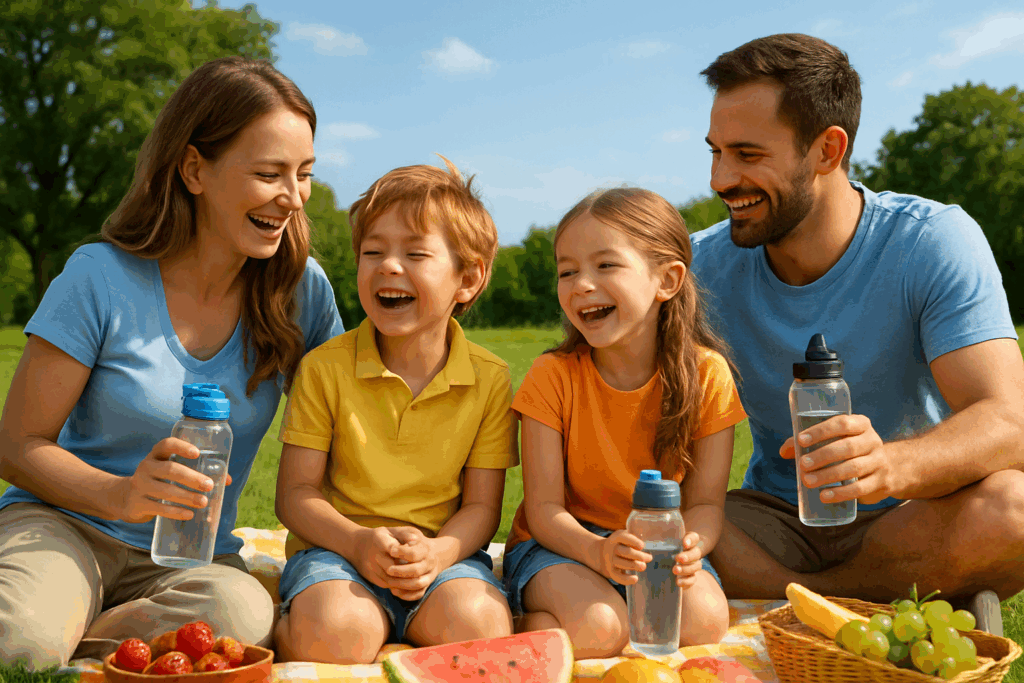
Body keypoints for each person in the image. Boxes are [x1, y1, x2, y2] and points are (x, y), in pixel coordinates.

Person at [0, 57, 345, 667]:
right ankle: (52, 617)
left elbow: (349, 425)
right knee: (20, 647)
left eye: (304, 174)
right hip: (66, 525)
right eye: (269, 174)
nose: (293, 198)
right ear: (194, 169)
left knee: (243, 614)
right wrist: (121, 495)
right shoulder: (98, 277)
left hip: (190, 558)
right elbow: (16, 444)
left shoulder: (301, 290)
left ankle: (80, 627)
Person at [692, 34, 1024, 621]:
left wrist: (889, 466)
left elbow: (1009, 421)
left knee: (1014, 509)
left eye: (747, 154)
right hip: (777, 522)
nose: (721, 179)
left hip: (915, 513)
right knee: (653, 517)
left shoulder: (930, 240)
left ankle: (799, 601)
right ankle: (874, 602)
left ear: (827, 149)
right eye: (716, 152)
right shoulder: (700, 267)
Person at [272, 157, 518, 665]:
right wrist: (358, 543)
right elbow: (295, 496)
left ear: (468, 279)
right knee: (337, 632)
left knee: (483, 626)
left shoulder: (490, 378)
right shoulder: (323, 368)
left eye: (415, 253)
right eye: (373, 252)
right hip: (336, 553)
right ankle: (336, 626)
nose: (388, 266)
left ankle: (392, 637)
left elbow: (481, 508)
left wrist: (440, 553)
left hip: (441, 559)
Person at [502, 187, 747, 658]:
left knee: (704, 622)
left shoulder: (708, 375)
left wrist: (690, 546)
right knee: (600, 630)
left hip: (655, 544)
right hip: (562, 544)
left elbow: (705, 504)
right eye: (567, 271)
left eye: (605, 265)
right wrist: (597, 551)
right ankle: (527, 620)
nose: (581, 284)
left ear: (667, 280)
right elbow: (544, 511)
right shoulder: (552, 376)